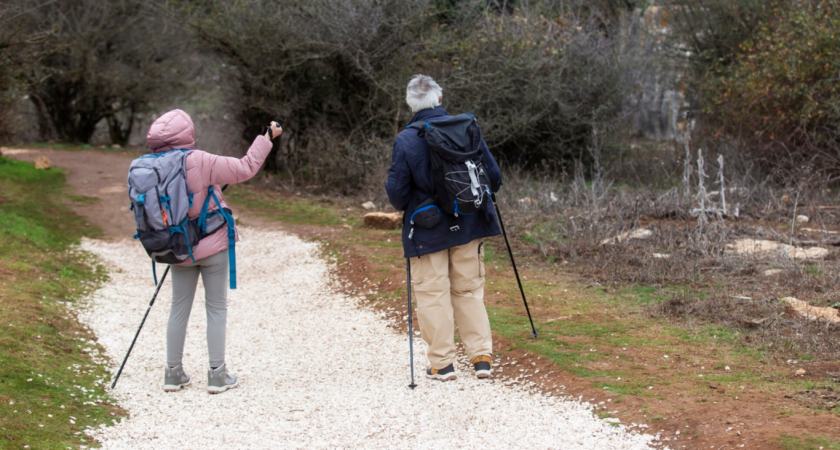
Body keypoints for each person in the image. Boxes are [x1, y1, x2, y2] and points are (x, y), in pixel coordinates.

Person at [145, 109, 282, 394]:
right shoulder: (201, 160)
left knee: (178, 308)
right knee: (216, 308)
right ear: (187, 134)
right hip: (212, 246)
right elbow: (246, 167)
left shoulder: (151, 166)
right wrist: (267, 136)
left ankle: (173, 373)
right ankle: (217, 375)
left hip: (177, 249)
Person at [386, 75, 503, 381]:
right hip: (468, 222)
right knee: (468, 290)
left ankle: (443, 364)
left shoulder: (406, 139)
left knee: (433, 293)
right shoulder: (467, 128)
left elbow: (397, 196)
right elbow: (493, 176)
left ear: (411, 104)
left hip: (428, 228)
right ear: (440, 98)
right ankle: (481, 358)